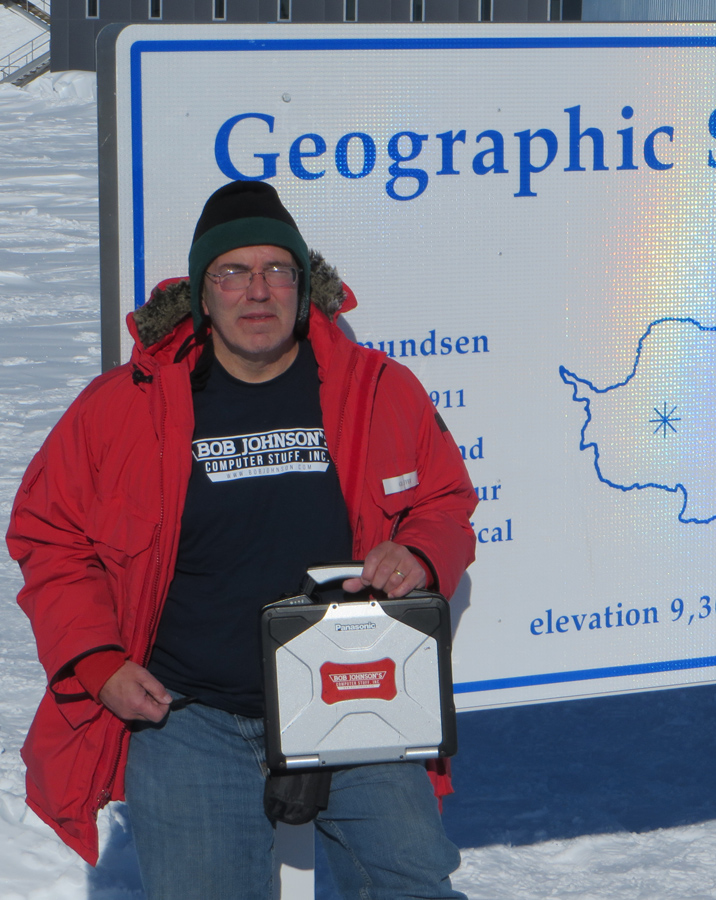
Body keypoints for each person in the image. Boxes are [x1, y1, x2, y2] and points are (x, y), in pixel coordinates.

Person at [7, 181, 478, 899]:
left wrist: (417, 552)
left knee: (413, 880)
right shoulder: (124, 406)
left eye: (276, 270)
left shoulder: (376, 387)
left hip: (352, 693)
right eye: (233, 271)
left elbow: (443, 500)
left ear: (301, 284)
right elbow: (51, 536)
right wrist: (98, 662)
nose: (257, 291)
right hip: (188, 712)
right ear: (202, 290)